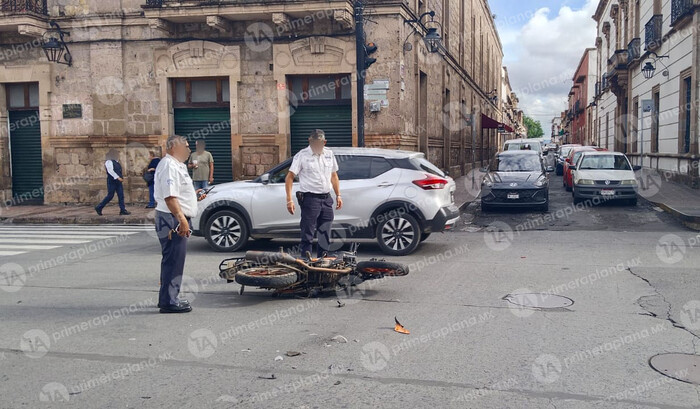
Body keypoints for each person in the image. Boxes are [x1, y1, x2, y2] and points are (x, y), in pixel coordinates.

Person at [154, 135, 207, 314]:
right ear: (173, 147)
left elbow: (178, 193)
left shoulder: (177, 165)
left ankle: (168, 298)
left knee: (172, 260)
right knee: (174, 261)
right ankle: (169, 302)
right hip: (172, 218)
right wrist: (182, 219)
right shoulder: (169, 165)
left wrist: (195, 194)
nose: (188, 149)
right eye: (185, 146)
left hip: (174, 216)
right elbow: (169, 197)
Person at [285, 129, 343, 259]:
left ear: (324, 142)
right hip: (310, 199)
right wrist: (289, 200)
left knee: (325, 234)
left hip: (326, 199)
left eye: (319, 143)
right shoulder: (302, 155)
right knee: (308, 234)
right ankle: (306, 262)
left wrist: (338, 194)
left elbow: (334, 175)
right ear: (309, 142)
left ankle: (323, 263)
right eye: (313, 143)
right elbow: (289, 177)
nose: (316, 146)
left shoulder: (329, 154)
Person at [95, 149, 130, 216]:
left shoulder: (116, 162)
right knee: (110, 195)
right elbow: (110, 171)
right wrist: (117, 177)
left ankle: (122, 210)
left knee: (121, 195)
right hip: (112, 181)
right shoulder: (109, 162)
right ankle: (99, 207)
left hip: (118, 182)